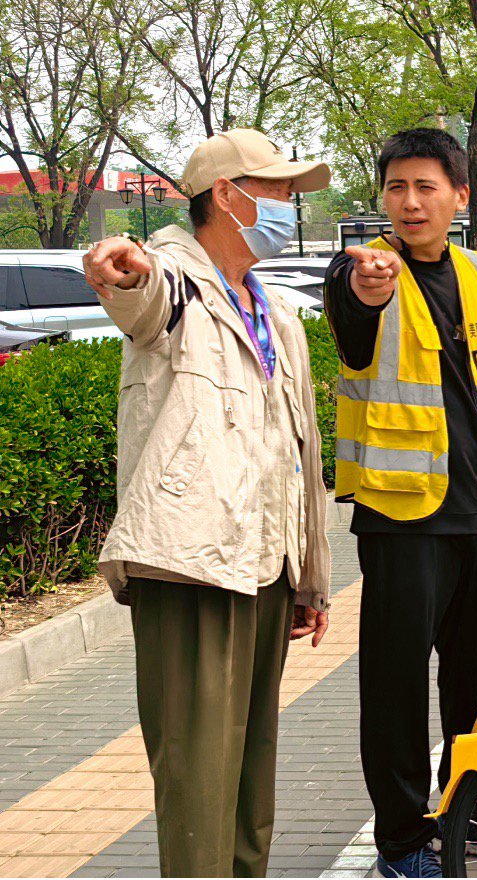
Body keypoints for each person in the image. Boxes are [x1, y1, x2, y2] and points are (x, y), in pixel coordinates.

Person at [80, 130, 332, 877]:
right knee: (198, 791)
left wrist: (309, 578)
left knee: (250, 791)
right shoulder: (179, 282)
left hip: (264, 571)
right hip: (188, 568)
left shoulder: (274, 311)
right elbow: (140, 295)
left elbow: (299, 453)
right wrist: (121, 271)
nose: (292, 206)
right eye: (281, 191)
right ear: (228, 194)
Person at [323, 129, 477, 878]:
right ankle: (403, 842)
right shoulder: (362, 274)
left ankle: (474, 821)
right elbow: (354, 308)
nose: (409, 202)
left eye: (426, 186)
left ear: (460, 196)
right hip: (403, 522)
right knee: (396, 689)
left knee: (472, 688)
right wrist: (366, 284)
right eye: (396, 188)